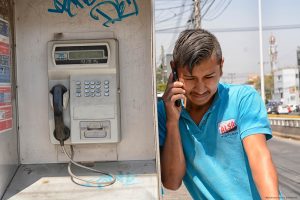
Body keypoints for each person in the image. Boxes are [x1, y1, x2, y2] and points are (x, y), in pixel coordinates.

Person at [158, 29, 281, 200]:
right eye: (190, 78)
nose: (200, 89)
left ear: (221, 66)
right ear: (174, 70)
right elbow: (171, 182)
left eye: (209, 77)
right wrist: (172, 122)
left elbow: (259, 155)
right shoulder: (164, 112)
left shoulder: (242, 99)